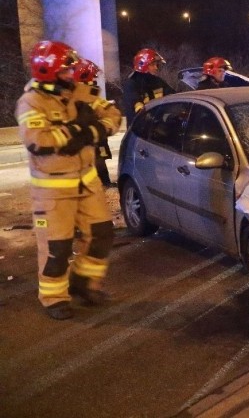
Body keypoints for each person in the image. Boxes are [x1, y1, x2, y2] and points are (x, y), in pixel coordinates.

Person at [15, 40, 122, 320]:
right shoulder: (31, 102)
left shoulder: (80, 92)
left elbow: (112, 114)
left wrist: (96, 129)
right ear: (47, 71)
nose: (72, 74)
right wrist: (78, 130)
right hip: (53, 191)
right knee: (56, 247)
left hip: (87, 184)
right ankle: (53, 297)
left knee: (101, 235)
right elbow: (39, 141)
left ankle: (83, 284)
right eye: (66, 69)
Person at [73, 58, 117, 187]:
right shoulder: (79, 98)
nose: (95, 80)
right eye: (93, 77)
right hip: (89, 139)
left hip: (98, 138)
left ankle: (105, 181)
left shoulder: (89, 96)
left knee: (100, 159)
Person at [122, 48, 175, 125]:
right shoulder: (131, 84)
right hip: (139, 132)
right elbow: (137, 107)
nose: (156, 68)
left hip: (155, 129)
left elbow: (173, 96)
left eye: (156, 65)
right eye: (153, 65)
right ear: (143, 66)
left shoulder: (158, 82)